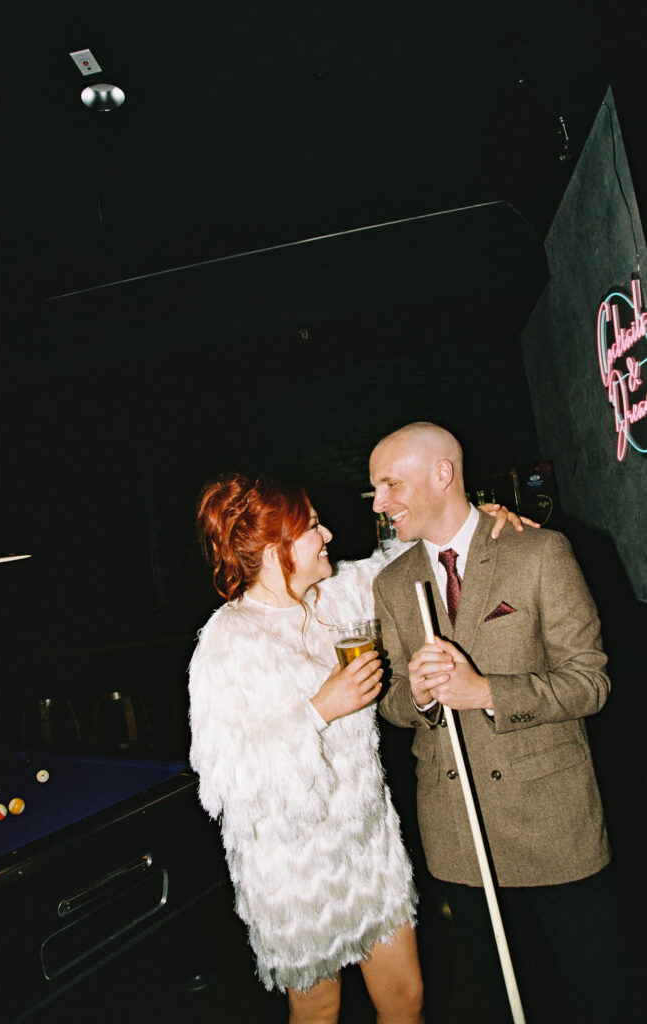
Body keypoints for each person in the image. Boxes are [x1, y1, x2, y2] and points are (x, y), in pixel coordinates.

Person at [188, 471, 524, 1023]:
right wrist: (320, 709)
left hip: (368, 844)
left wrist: (483, 523)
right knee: (319, 1012)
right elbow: (223, 780)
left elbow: (407, 554)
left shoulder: (336, 592)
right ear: (276, 549)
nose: (327, 535)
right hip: (293, 867)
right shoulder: (226, 642)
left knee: (405, 998)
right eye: (313, 527)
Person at [370, 421, 632, 1024]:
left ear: (443, 474)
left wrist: (486, 691)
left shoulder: (539, 551)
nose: (379, 502)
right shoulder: (391, 582)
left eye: (389, 484)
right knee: (511, 1003)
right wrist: (419, 697)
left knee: (601, 999)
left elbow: (591, 682)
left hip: (555, 829)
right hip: (458, 839)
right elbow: (392, 704)